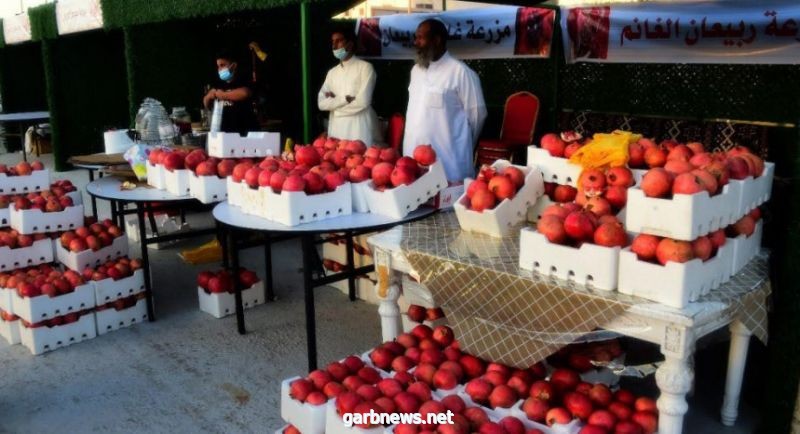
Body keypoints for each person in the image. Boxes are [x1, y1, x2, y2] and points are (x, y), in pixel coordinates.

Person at [403, 19, 487, 182]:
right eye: (416, 38)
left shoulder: (460, 72)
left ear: (437, 40)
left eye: (420, 38)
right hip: (412, 161)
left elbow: (477, 115)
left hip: (449, 163)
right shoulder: (416, 71)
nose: (416, 42)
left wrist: (463, 143)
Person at [317, 27, 380, 146]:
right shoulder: (332, 73)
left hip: (358, 128)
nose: (334, 46)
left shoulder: (365, 68)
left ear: (350, 44)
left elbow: (363, 102)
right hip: (336, 129)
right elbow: (321, 103)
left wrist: (335, 107)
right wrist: (345, 100)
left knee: (360, 160)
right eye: (333, 42)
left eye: (339, 41)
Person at [203, 49, 260, 135]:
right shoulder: (218, 83)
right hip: (224, 134)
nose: (220, 69)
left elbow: (245, 93)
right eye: (218, 66)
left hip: (244, 133)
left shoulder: (243, 79)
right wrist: (208, 97)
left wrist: (223, 95)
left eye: (222, 65)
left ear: (233, 66)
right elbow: (207, 105)